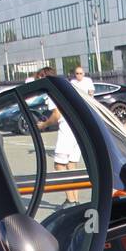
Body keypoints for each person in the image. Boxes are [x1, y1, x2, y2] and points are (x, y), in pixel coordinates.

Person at [36, 65, 82, 206]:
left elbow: (56, 114)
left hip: (66, 131)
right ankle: (75, 200)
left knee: (59, 165)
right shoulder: (63, 88)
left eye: (38, 79)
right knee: (71, 166)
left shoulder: (51, 91)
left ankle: (70, 200)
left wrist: (43, 125)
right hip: (75, 129)